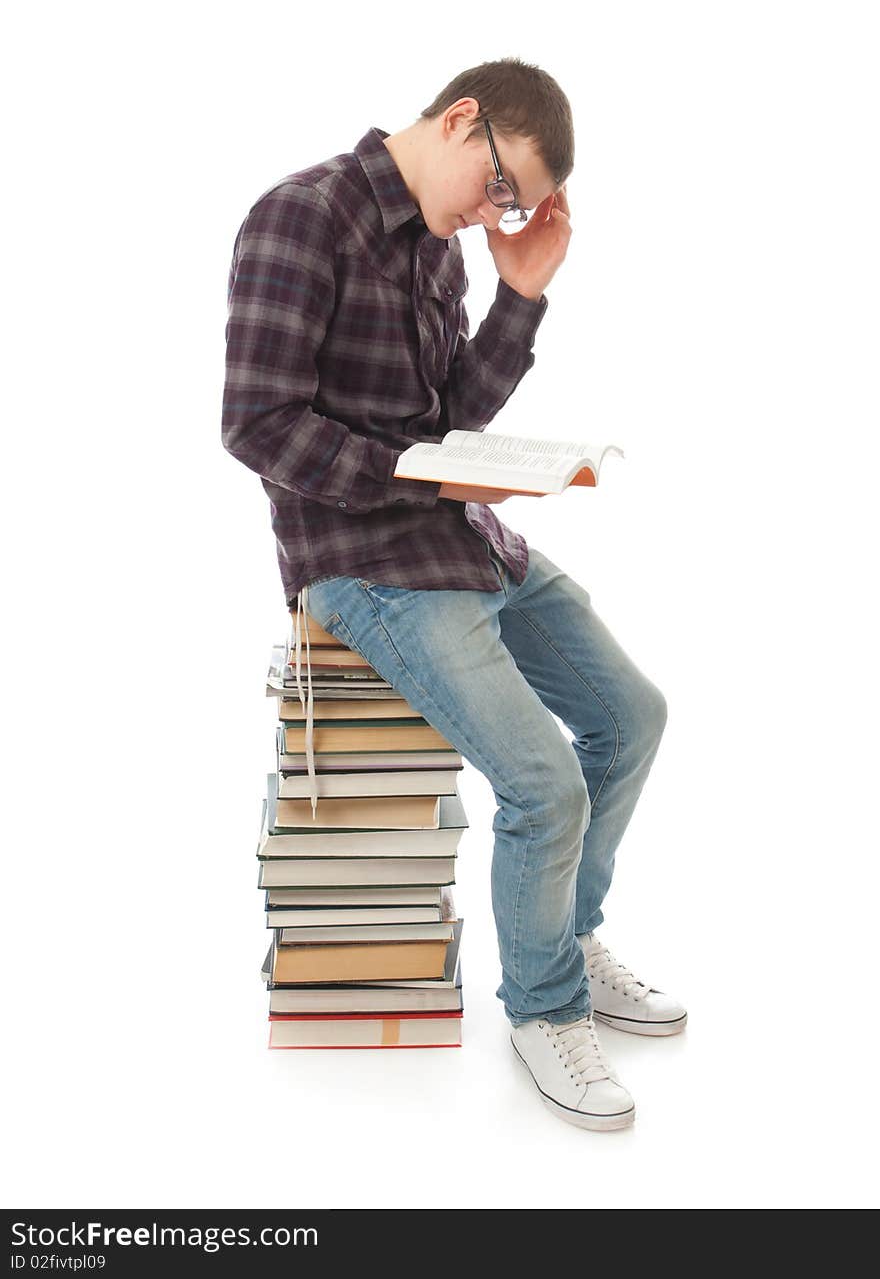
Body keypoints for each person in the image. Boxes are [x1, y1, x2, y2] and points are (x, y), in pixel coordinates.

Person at [222, 57, 686, 1132]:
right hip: (359, 559)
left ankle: (562, 933)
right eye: (500, 187)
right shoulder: (302, 217)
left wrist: (518, 294)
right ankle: (544, 1006)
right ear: (462, 117)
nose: (495, 213)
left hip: (460, 536)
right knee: (542, 783)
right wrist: (401, 471)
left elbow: (450, 420)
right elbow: (254, 422)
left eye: (511, 204)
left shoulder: (440, 248)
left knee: (632, 714)